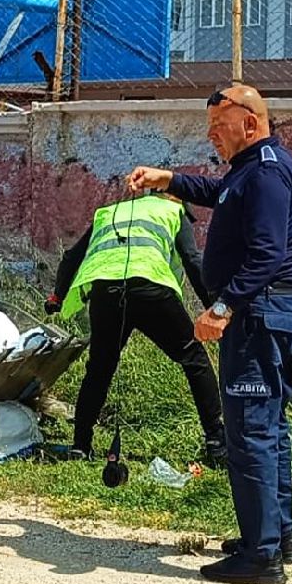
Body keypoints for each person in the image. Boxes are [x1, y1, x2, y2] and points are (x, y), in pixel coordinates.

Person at [128, 84, 292, 584]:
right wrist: (171, 180)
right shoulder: (250, 170)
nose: (213, 138)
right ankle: (275, 537)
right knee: (267, 429)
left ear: (250, 123)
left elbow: (268, 252)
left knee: (250, 433)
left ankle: (260, 555)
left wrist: (223, 307)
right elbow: (218, 193)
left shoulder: (267, 171)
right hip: (269, 313)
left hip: (257, 315)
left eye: (219, 128)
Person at [48, 191, 225, 464]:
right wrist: (214, 309)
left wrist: (57, 296)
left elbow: (72, 257)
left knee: (99, 369)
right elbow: (191, 259)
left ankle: (80, 445)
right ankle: (216, 442)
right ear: (177, 199)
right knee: (193, 358)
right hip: (151, 288)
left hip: (106, 292)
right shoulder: (172, 210)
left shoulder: (108, 212)